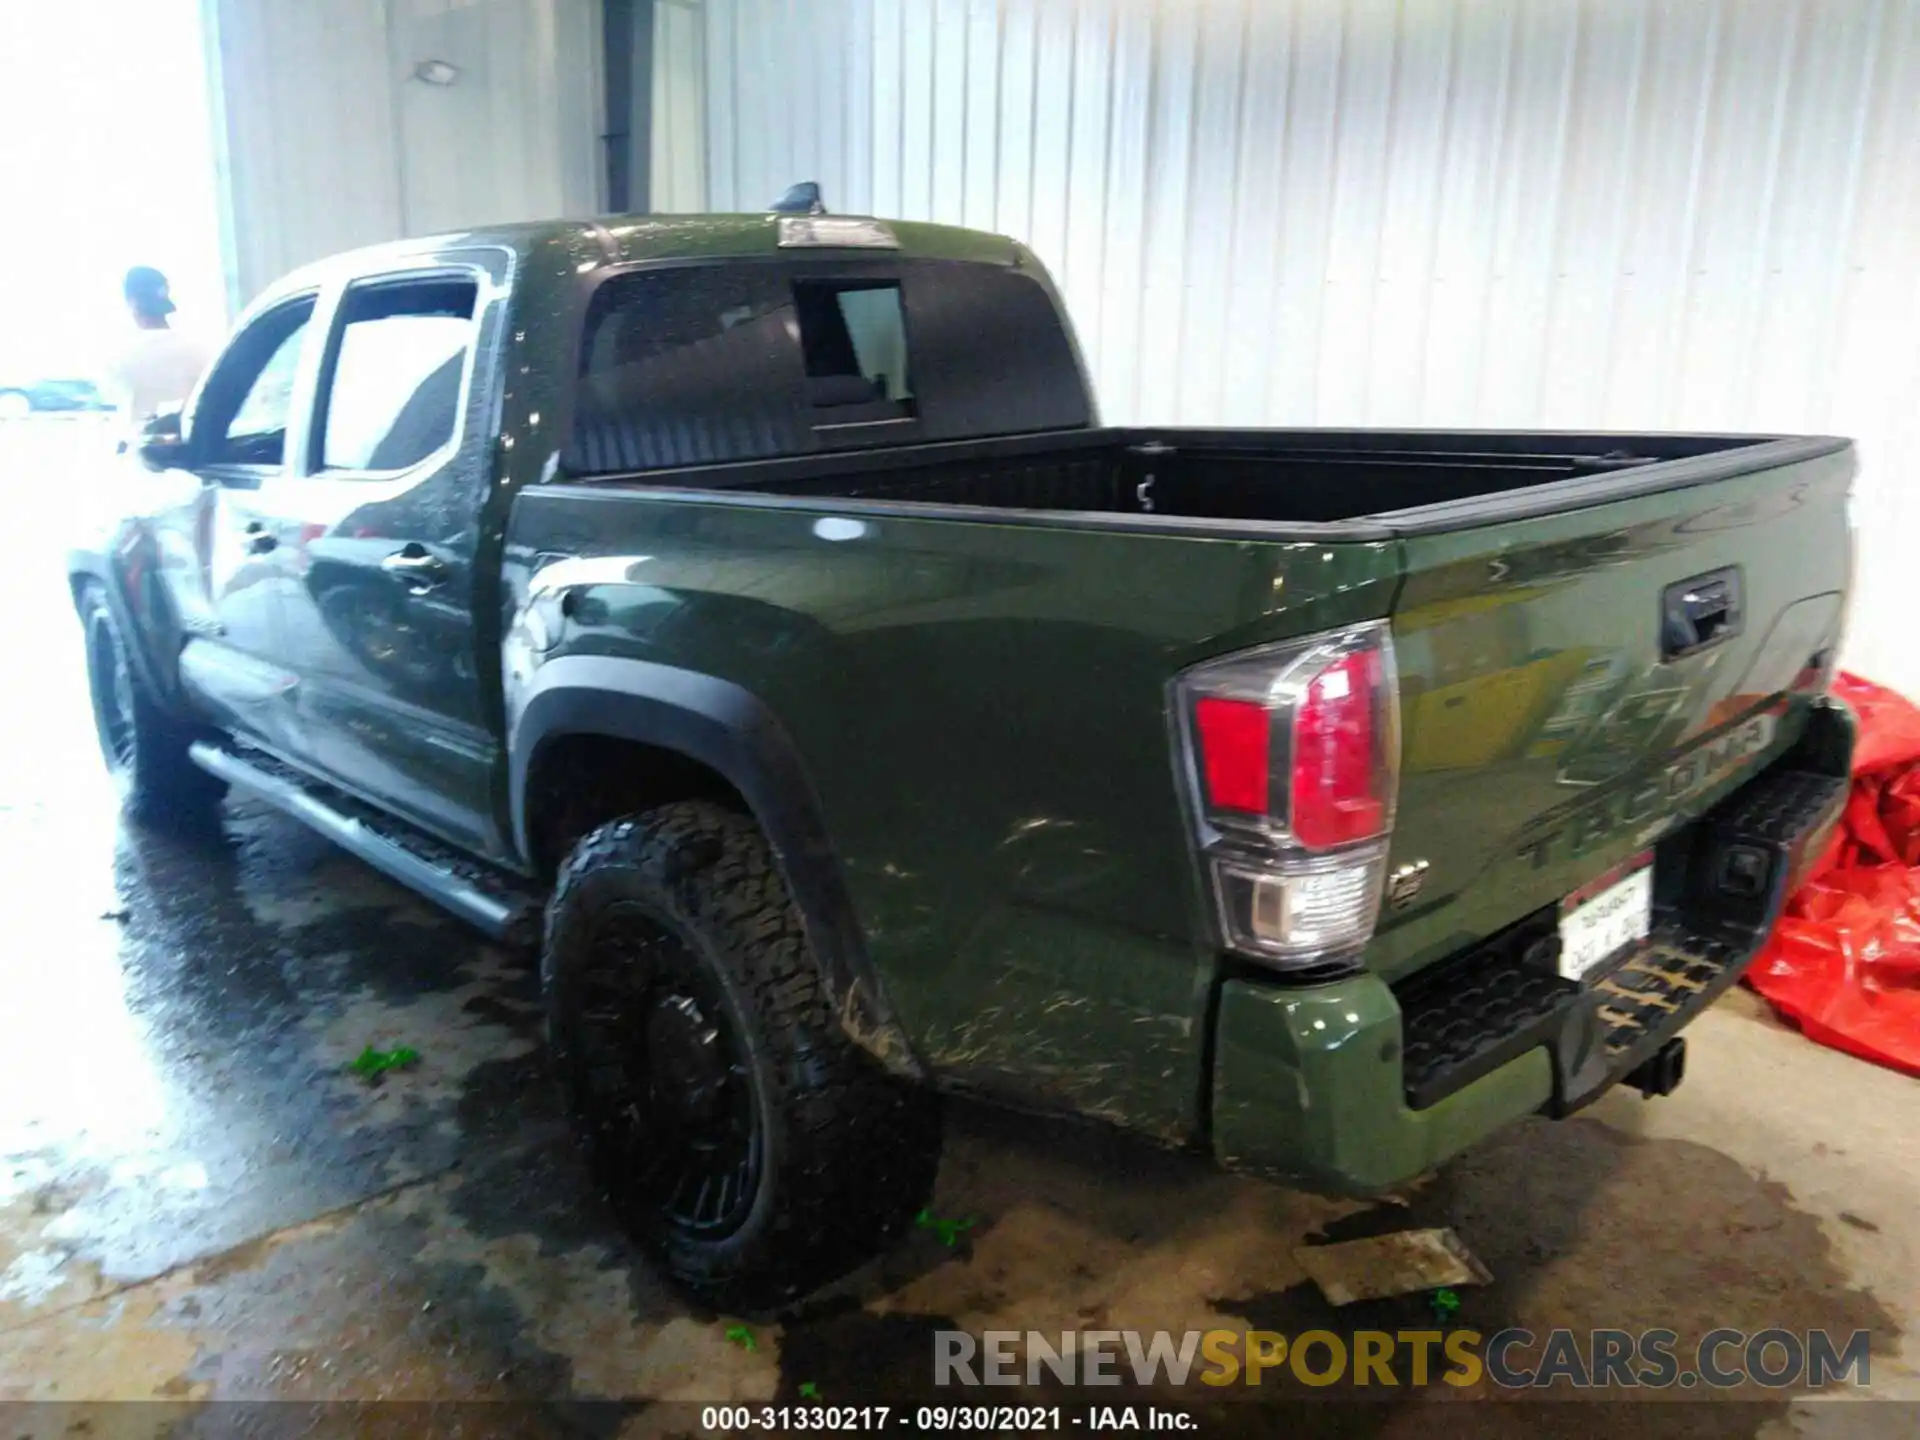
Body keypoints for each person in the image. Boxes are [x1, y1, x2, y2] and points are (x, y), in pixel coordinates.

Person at [102, 266, 211, 437]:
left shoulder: (118, 358)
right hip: (194, 452)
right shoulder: (200, 352)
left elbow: (110, 401)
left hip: (143, 457)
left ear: (131, 302)